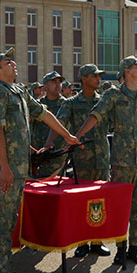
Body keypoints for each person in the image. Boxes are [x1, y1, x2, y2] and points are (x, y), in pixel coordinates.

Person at [0, 48, 80, 273]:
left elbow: (44, 114)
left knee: (10, 218)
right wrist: (5, 168)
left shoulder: (18, 91)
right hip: (5, 169)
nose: (14, 63)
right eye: (8, 62)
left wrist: (67, 135)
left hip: (19, 167)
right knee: (0, 219)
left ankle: (5, 268)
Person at [74, 55, 137, 265]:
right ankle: (121, 247)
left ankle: (134, 247)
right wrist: (77, 137)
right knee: (121, 206)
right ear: (128, 70)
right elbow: (96, 115)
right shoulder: (113, 94)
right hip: (121, 160)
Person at [54, 63, 112, 257]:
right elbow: (59, 125)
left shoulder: (105, 101)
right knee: (82, 200)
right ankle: (82, 242)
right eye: (94, 76)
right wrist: (50, 145)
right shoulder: (71, 103)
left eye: (99, 76)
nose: (99, 79)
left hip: (102, 157)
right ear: (84, 79)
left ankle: (97, 241)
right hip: (82, 159)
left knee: (100, 199)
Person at [34, 71, 68, 177]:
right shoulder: (37, 105)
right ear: (45, 86)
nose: (58, 85)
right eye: (54, 81)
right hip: (39, 155)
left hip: (58, 154)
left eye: (59, 82)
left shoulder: (66, 104)